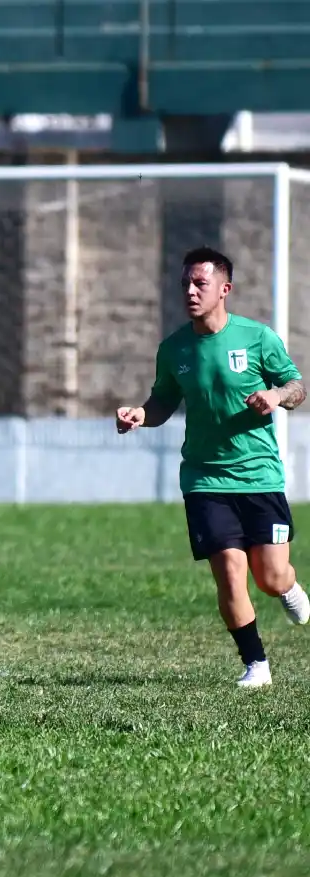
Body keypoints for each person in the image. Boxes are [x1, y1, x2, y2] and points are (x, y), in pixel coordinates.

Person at [116, 246, 308, 688]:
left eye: (199, 283)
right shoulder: (174, 348)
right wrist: (140, 415)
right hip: (205, 478)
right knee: (228, 569)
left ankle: (288, 587)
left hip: (260, 474)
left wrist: (277, 397)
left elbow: (296, 385)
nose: (189, 291)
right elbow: (163, 400)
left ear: (224, 289)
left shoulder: (257, 338)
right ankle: (256, 665)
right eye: (185, 282)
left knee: (271, 576)